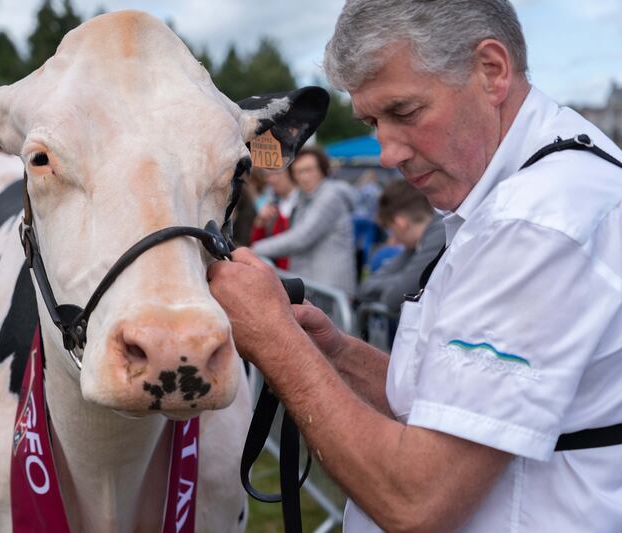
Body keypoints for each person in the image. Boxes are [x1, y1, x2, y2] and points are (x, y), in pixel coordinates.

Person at [207, 1, 622, 531]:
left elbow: (419, 501)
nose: (387, 153)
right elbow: (452, 401)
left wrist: (275, 341)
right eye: (372, 121)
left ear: (491, 71)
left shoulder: (535, 220)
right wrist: (336, 351)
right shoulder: (522, 189)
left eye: (404, 112)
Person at [251, 146, 356, 296]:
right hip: (316, 287)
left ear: (322, 170)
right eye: (299, 172)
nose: (304, 177)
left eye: (309, 170)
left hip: (331, 288)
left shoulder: (329, 197)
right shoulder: (306, 198)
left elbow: (301, 237)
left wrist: (254, 249)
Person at [356, 179, 445, 315]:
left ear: (400, 224)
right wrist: (399, 282)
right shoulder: (420, 242)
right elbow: (367, 287)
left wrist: (397, 285)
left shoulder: (439, 236)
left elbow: (395, 297)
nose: (392, 238)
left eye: (390, 229)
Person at [249, 167, 299, 270]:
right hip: (280, 273)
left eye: (277, 174)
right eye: (268, 175)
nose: (272, 179)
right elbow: (256, 241)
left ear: (290, 173)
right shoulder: (272, 205)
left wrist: (253, 249)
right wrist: (260, 224)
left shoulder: (303, 202)